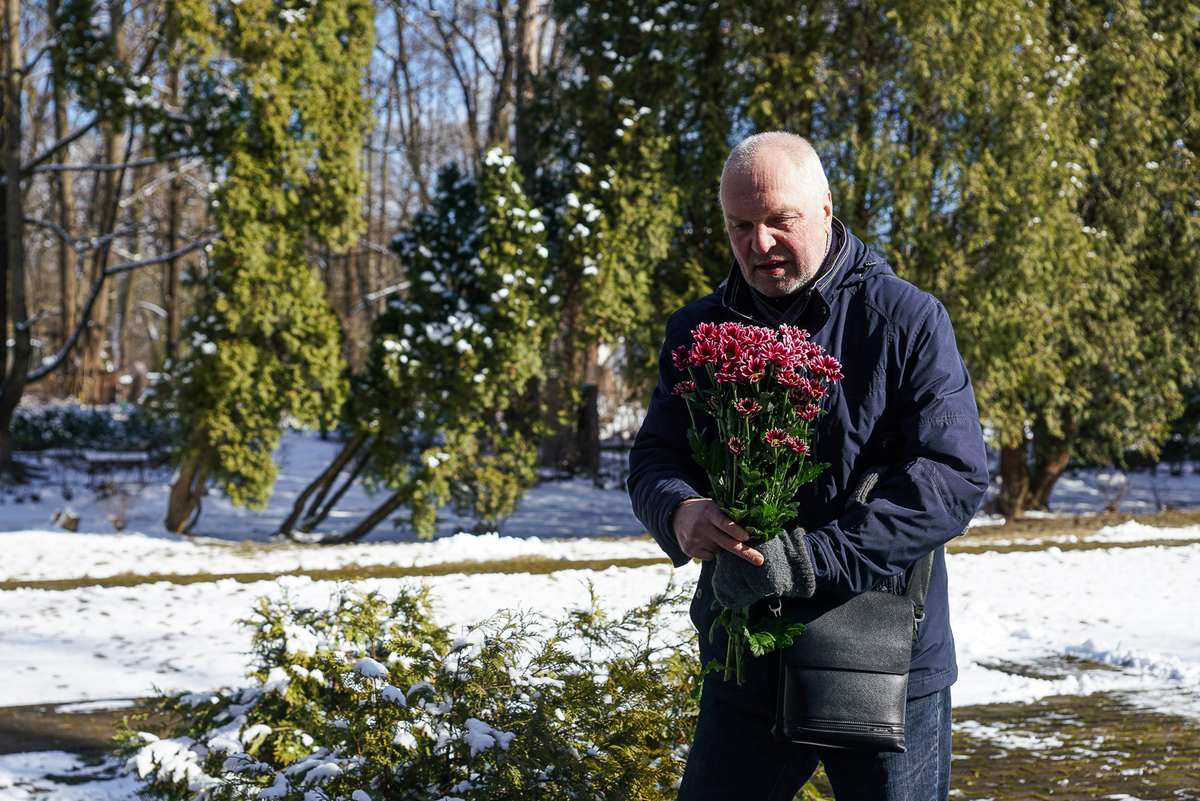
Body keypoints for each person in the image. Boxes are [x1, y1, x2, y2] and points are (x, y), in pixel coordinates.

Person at [627, 131, 989, 800]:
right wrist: (679, 509)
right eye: (741, 225)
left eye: (778, 220)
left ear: (825, 208)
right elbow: (655, 455)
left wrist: (813, 558)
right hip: (746, 665)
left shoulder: (903, 320)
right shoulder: (698, 330)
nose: (758, 243)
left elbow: (953, 477)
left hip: (879, 661)